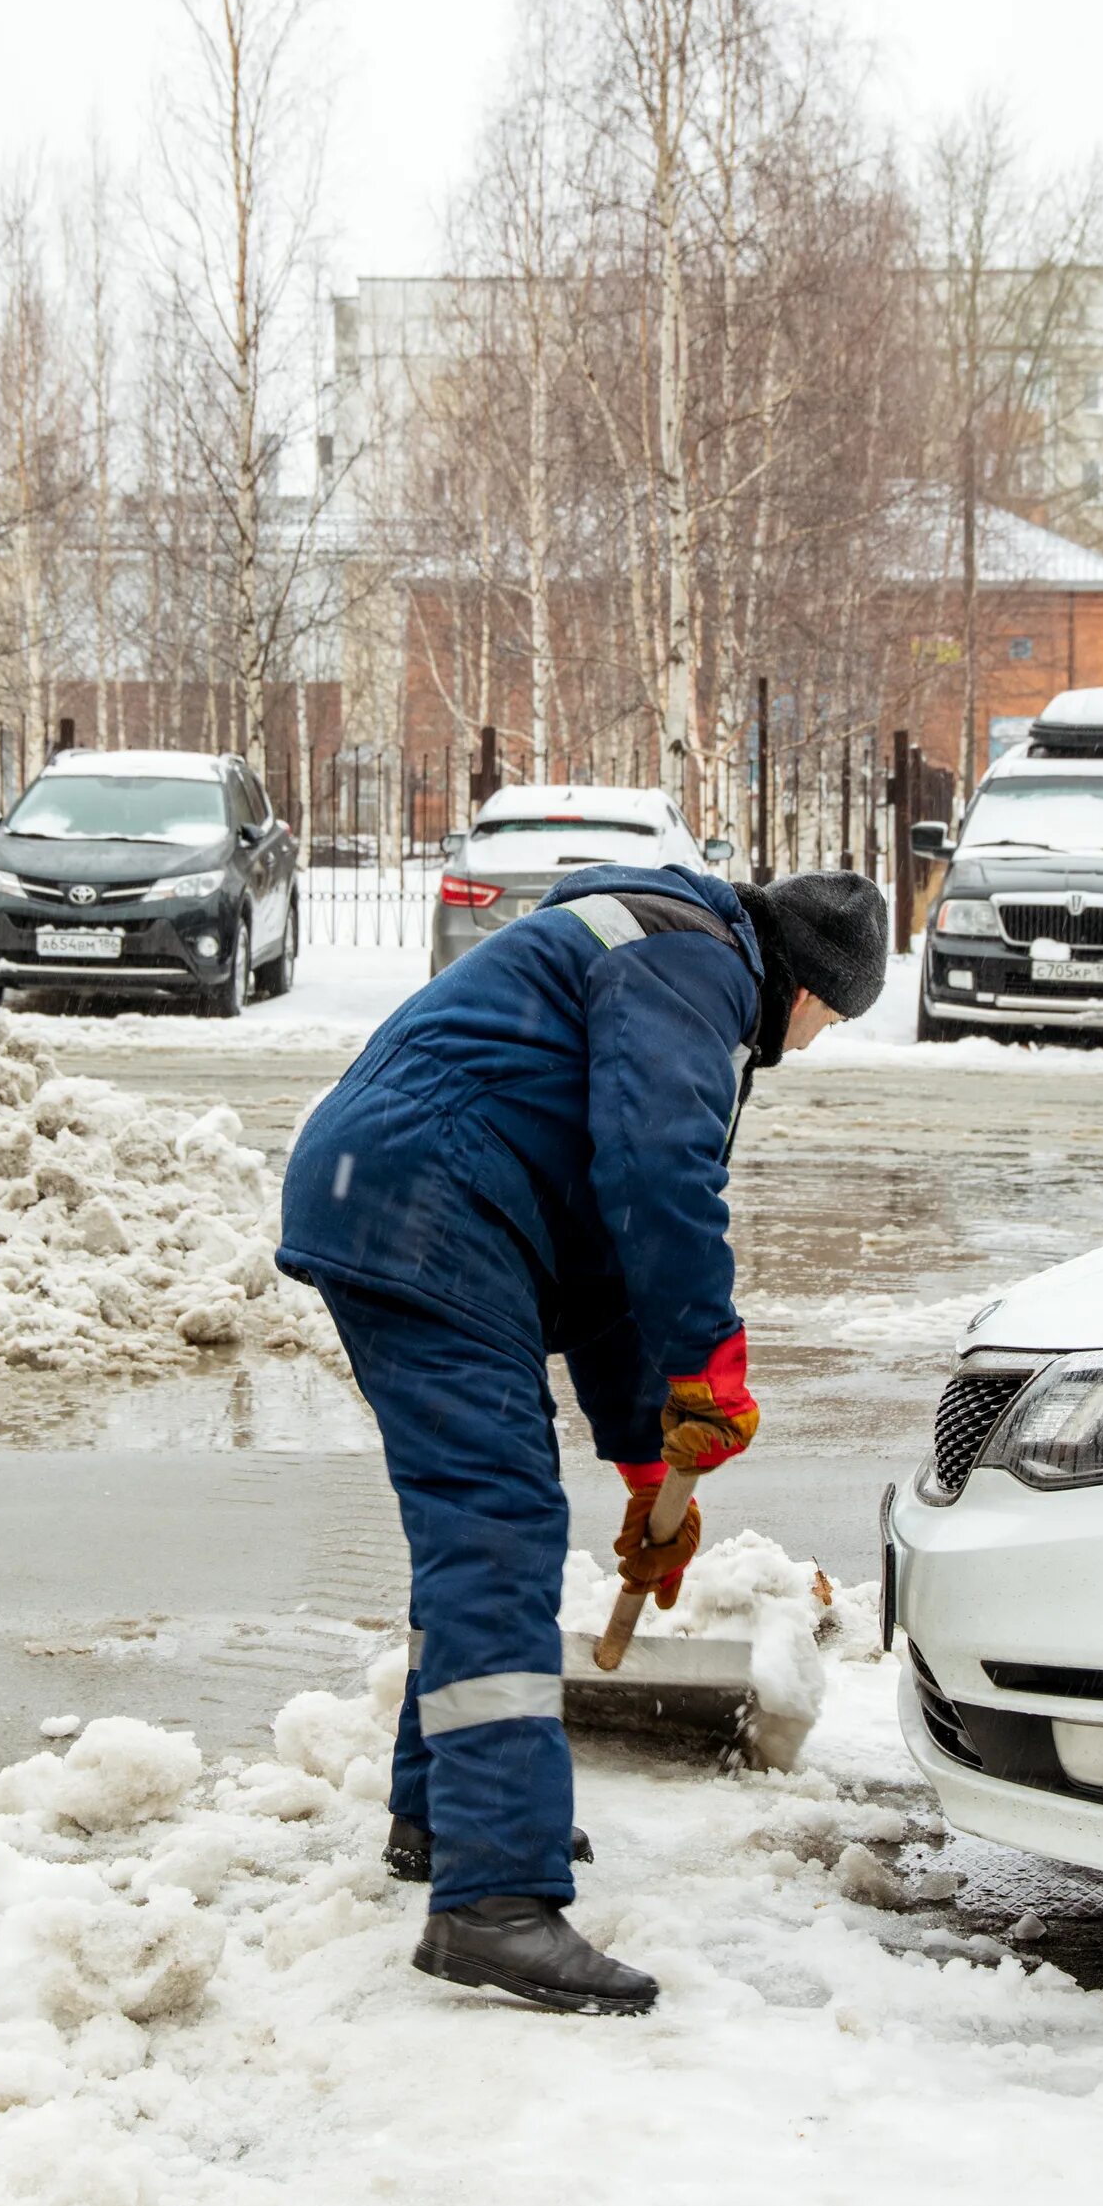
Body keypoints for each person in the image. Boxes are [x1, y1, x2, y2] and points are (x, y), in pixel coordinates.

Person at [276, 860, 888, 2015]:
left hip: (413, 1194)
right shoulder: (696, 965)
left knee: (476, 1528)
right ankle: (492, 1898)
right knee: (497, 1528)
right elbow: (659, 1177)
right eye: (825, 1027)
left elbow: (612, 1261)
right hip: (431, 1204)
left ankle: (441, 1816)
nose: (805, 1049)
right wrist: (710, 1366)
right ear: (810, 994)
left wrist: (650, 1464)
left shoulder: (663, 956)